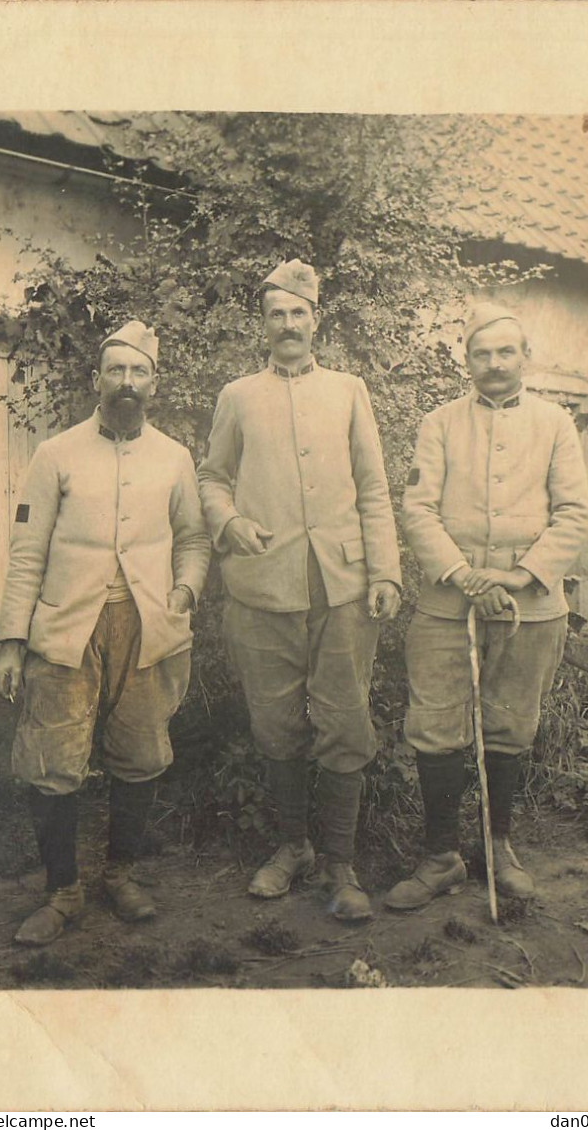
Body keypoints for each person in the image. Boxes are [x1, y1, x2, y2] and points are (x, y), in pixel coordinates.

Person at [0, 320, 211, 945]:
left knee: (140, 754)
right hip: (66, 628)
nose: (127, 383)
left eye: (139, 372)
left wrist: (183, 592)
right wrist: (12, 640)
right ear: (97, 379)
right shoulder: (55, 454)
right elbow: (27, 548)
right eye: (116, 371)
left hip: (147, 628)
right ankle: (62, 890)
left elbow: (194, 538)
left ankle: (122, 874)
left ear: (154, 384)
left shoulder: (174, 457)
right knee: (52, 760)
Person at [198, 260, 402, 921]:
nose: (288, 325)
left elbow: (373, 488)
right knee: (276, 726)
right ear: (261, 324)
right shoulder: (238, 396)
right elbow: (210, 479)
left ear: (317, 320)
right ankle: (293, 847)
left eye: (298, 313)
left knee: (344, 723)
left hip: (341, 586)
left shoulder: (347, 390)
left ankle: (340, 865)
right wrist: (229, 523)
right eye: (276, 315)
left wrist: (385, 571)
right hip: (262, 587)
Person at [385, 301, 588, 910]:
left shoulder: (556, 424)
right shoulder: (440, 423)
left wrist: (520, 574)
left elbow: (575, 513)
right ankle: (440, 857)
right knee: (435, 725)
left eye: (506, 352)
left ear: (525, 357)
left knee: (510, 723)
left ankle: (498, 847)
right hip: (449, 605)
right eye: (483, 353)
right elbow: (418, 509)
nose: (495, 364)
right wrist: (462, 574)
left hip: (531, 608)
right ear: (467, 361)